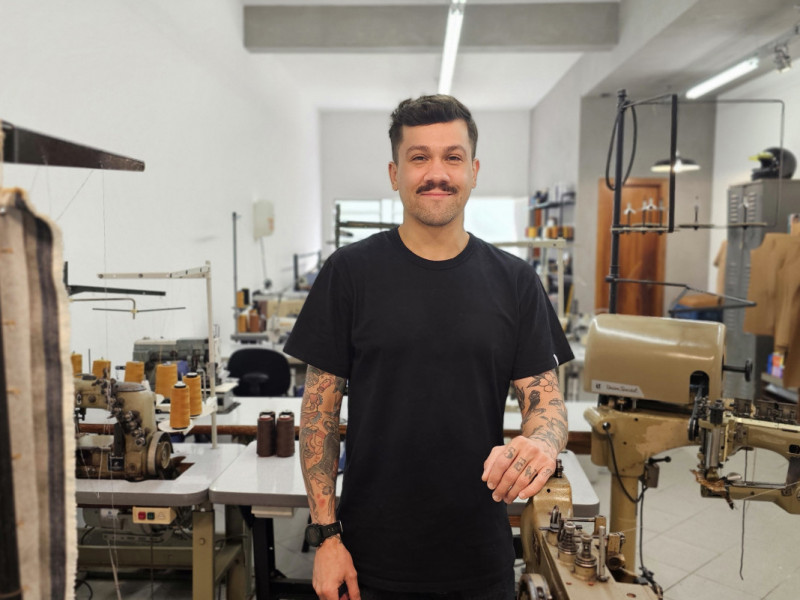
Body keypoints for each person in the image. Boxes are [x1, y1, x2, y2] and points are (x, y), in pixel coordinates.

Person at [283, 94, 573, 600]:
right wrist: (327, 538)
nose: (436, 172)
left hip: (479, 555)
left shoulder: (516, 282)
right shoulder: (349, 274)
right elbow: (319, 417)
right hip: (368, 556)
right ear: (395, 173)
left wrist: (542, 444)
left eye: (452, 157)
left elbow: (546, 404)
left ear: (474, 171)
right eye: (419, 158)